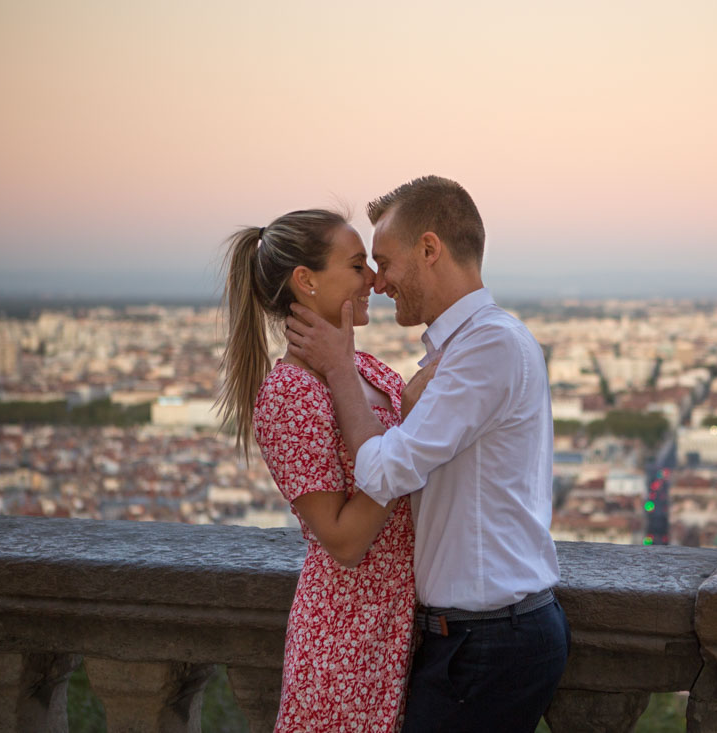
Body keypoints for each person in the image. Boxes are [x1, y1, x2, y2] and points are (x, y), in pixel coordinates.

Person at [285, 176, 570, 733]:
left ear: (430, 249)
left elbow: (382, 472)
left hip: (488, 639)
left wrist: (340, 369)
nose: (379, 281)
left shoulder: (486, 347)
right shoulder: (475, 345)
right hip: (481, 636)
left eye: (385, 262)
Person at [218, 208, 434, 732]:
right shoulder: (290, 394)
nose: (374, 280)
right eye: (357, 266)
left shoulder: (364, 368)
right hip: (346, 642)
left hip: (400, 626)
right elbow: (343, 540)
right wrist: (404, 446)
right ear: (306, 280)